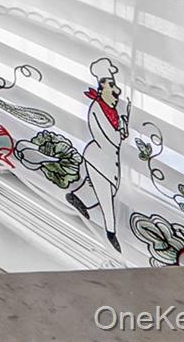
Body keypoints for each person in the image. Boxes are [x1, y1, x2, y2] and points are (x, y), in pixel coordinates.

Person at [66, 57, 129, 250]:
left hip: (107, 162)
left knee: (100, 191)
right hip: (99, 160)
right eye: (112, 86)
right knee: (105, 198)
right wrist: (121, 132)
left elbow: (117, 137)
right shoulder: (97, 109)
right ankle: (111, 234)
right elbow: (110, 138)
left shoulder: (113, 111)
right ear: (102, 86)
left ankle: (76, 198)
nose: (117, 91)